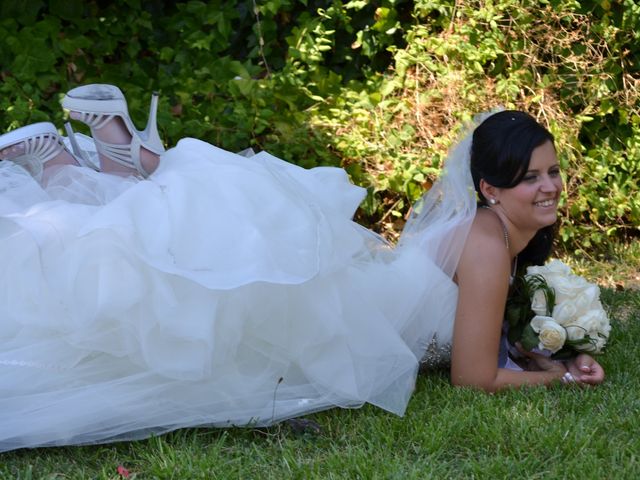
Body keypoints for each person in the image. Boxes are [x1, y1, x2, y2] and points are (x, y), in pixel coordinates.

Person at [0, 85, 604, 452]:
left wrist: (542, 353)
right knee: (188, 291)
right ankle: (100, 162)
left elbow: (484, 338)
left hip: (363, 296)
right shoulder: (488, 243)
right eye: (530, 177)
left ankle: (101, 161)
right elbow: (474, 378)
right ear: (488, 187)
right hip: (343, 326)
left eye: (551, 171)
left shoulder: (494, 233)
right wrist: (566, 381)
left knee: (200, 263)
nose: (549, 186)